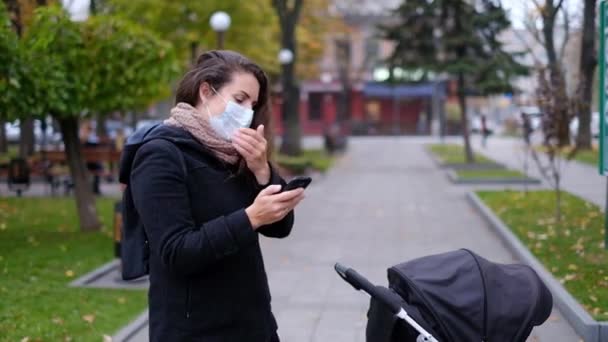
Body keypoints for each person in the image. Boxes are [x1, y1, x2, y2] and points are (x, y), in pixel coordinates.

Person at [119, 50, 306, 341]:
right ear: (206, 91)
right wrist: (250, 218)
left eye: (253, 104)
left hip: (252, 324)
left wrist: (262, 170)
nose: (247, 111)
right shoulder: (160, 154)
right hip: (196, 330)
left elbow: (280, 228)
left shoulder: (233, 153)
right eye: (240, 99)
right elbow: (175, 251)